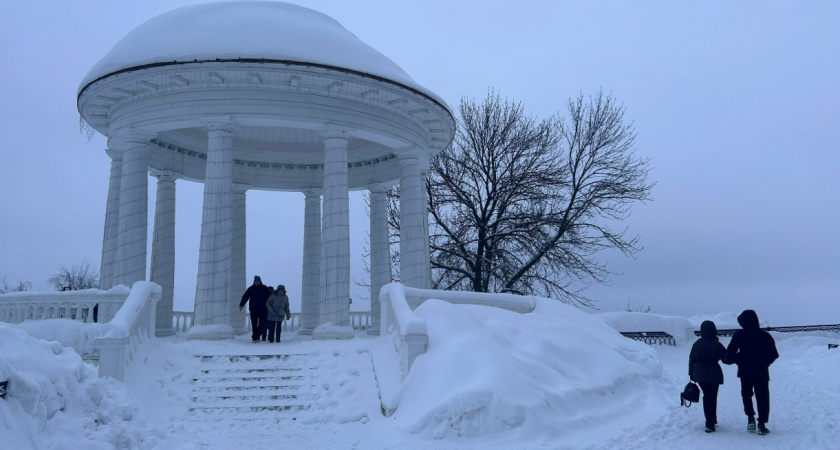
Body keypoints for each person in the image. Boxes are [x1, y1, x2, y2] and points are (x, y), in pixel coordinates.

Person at [727, 309, 779, 435]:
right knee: (763, 397)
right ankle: (762, 424)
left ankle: (750, 418)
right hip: (761, 371)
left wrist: (739, 359)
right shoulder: (765, 335)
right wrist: (764, 362)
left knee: (746, 395)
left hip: (745, 371)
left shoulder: (739, 335)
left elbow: (730, 352)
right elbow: (774, 354)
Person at [689, 320, 736, 433]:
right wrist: (738, 356)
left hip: (699, 374)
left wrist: (691, 374)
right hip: (713, 373)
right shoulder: (716, 344)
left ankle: (710, 420)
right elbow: (727, 359)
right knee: (711, 396)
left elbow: (691, 359)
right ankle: (710, 422)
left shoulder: (696, 344)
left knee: (707, 396)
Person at [239, 275, 271, 343]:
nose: (257, 283)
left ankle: (257, 335)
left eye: (258, 281)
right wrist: (242, 304)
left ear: (260, 281)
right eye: (256, 281)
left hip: (263, 310)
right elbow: (245, 296)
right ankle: (254, 338)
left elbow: (270, 298)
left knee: (262, 324)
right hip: (253, 310)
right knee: (254, 324)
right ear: (254, 281)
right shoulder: (251, 289)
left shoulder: (264, 288)